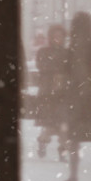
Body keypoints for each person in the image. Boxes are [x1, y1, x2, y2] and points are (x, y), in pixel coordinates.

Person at [64, 11, 91, 181]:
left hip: (79, 98)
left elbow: (67, 71)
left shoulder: (74, 47)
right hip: (87, 98)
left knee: (76, 138)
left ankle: (74, 175)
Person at [35, 23, 68, 158]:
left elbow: (70, 69)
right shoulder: (43, 52)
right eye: (55, 36)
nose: (57, 39)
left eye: (60, 36)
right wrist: (54, 72)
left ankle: (63, 149)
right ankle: (43, 142)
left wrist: (63, 76)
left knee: (63, 124)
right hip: (48, 93)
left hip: (63, 93)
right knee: (49, 122)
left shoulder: (67, 52)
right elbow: (40, 66)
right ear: (50, 37)